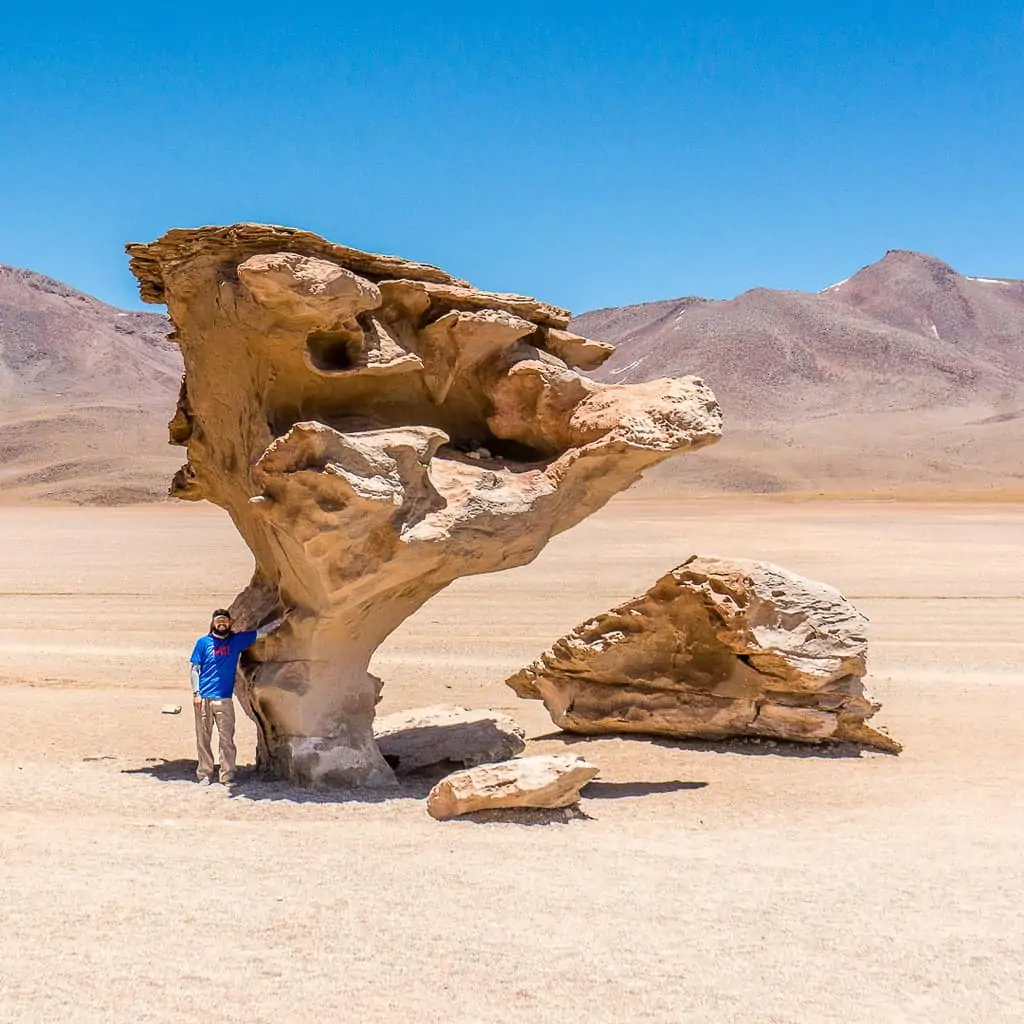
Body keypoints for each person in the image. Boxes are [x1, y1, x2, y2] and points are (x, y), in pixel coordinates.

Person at [189, 608, 282, 786]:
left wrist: (281, 621)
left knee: (226, 738)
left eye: (224, 620)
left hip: (224, 699)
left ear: (230, 623)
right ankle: (205, 774)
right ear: (213, 624)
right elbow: (195, 669)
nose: (221, 624)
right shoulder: (203, 643)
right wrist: (196, 693)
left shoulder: (235, 641)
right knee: (203, 737)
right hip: (204, 699)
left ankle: (227, 774)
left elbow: (260, 633)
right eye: (218, 621)